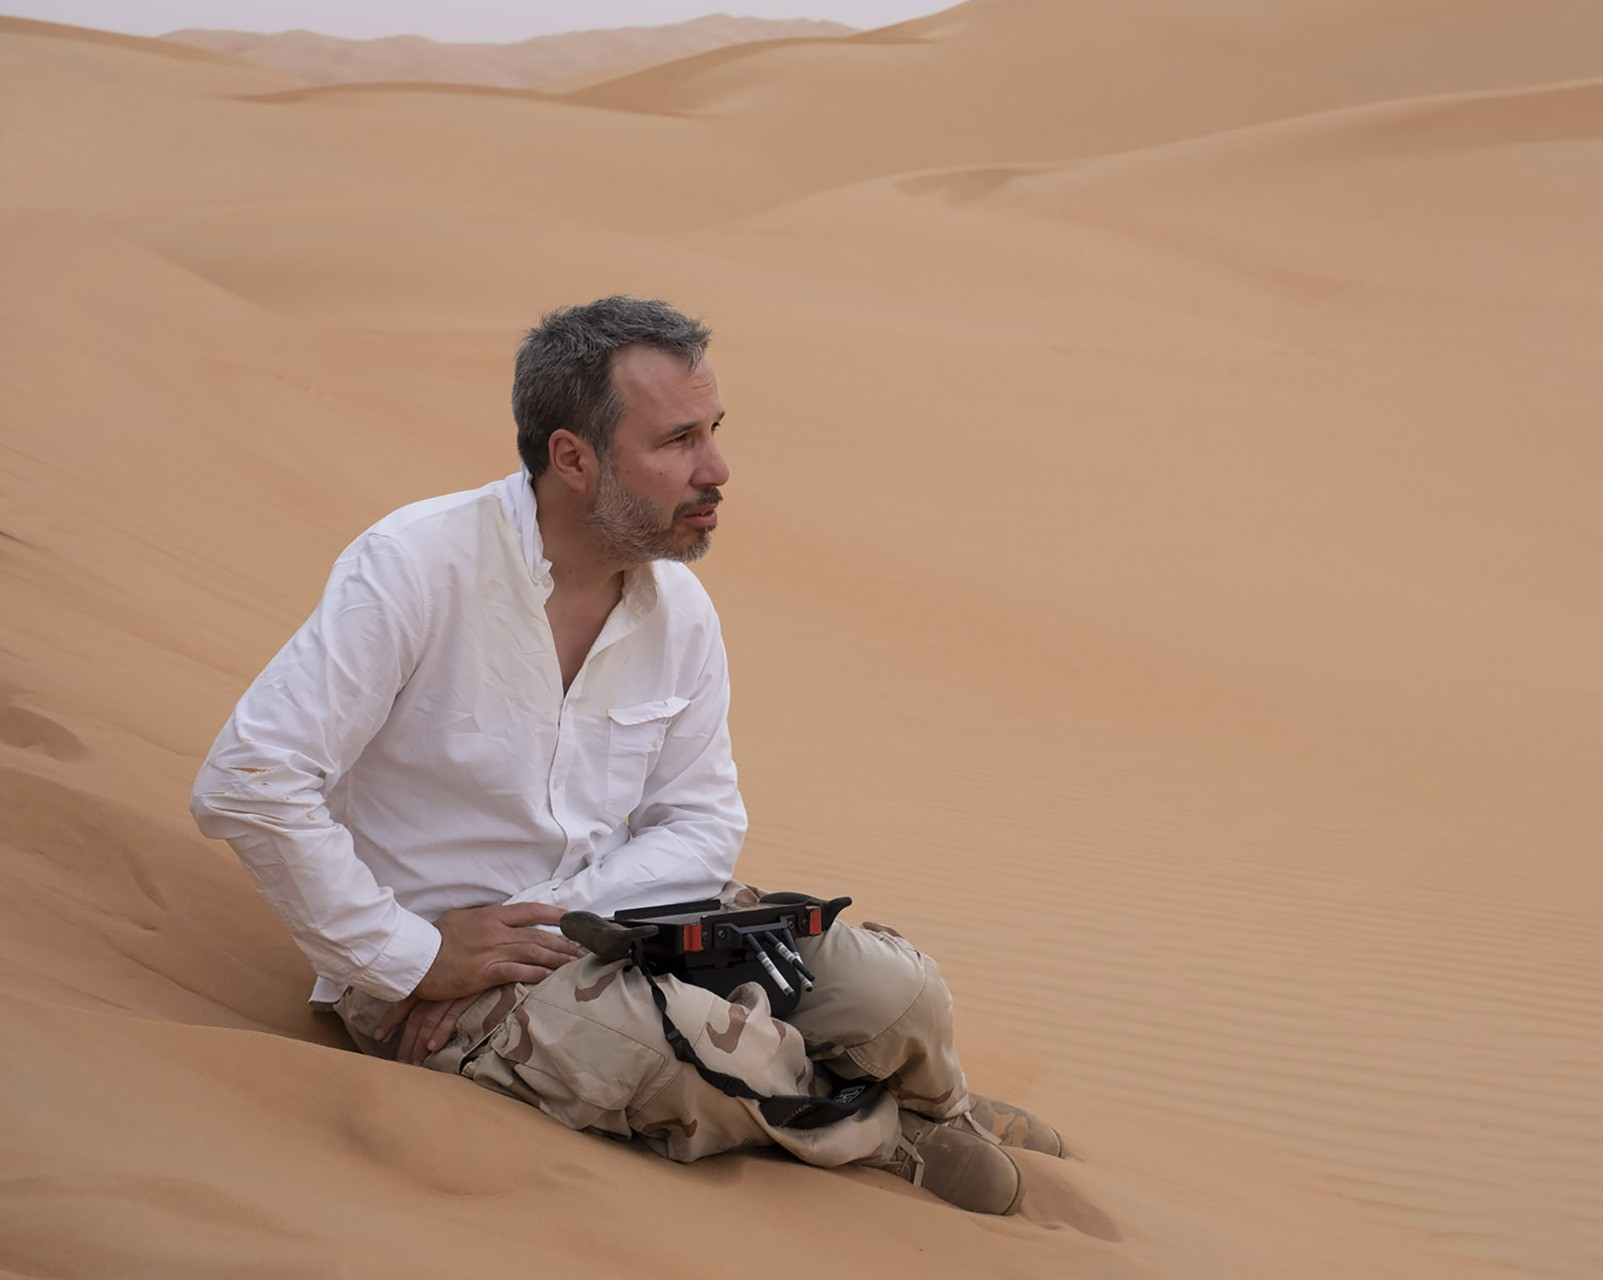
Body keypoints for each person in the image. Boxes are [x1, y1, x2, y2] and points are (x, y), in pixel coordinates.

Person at [190, 296, 1062, 1214]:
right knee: (679, 1060)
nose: (717, 469)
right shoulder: (416, 566)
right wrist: (407, 958)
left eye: (714, 430)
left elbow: (701, 821)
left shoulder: (676, 607)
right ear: (573, 457)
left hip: (618, 917)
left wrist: (566, 921)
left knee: (894, 991)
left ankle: (931, 1100)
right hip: (440, 962)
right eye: (678, 440)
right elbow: (249, 782)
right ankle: (888, 1135)